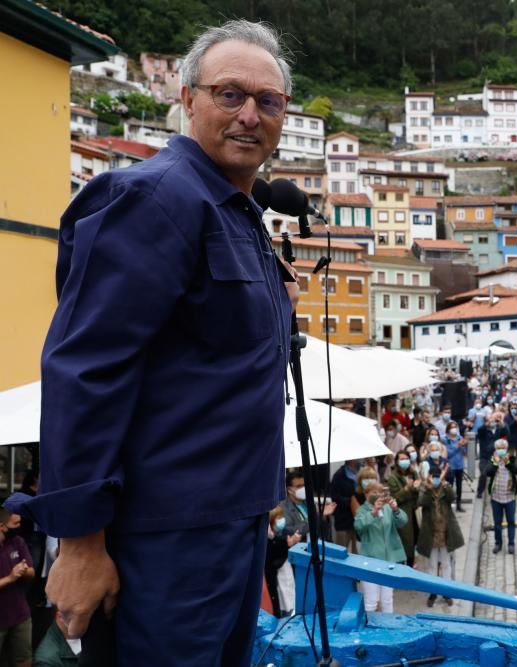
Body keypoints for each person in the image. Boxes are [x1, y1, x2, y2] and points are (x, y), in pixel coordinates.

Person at [0, 21, 300, 664]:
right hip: (165, 542)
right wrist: (81, 542)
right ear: (187, 99)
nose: (250, 115)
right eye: (229, 94)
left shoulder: (235, 212)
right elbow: (87, 370)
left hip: (230, 530)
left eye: (268, 102)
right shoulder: (156, 198)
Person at [353, 482, 408, 613]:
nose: (378, 495)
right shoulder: (362, 510)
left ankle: (389, 627)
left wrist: (396, 509)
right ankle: (369, 629)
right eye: (374, 492)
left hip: (388, 561)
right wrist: (373, 513)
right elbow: (358, 526)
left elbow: (403, 522)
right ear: (366, 494)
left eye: (380, 492)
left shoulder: (387, 508)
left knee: (387, 600)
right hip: (369, 561)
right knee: (371, 602)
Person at [417, 468, 465, 607]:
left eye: (438, 476)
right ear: (430, 477)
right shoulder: (425, 489)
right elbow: (421, 502)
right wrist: (428, 487)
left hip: (445, 533)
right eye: (433, 476)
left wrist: (445, 485)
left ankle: (447, 591)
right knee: (432, 565)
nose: (436, 479)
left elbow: (452, 497)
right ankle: (433, 592)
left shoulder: (446, 488)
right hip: (431, 534)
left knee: (446, 564)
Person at [0, 509, 34, 667]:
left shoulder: (18, 541)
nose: (19, 527)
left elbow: (32, 572)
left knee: (24, 659)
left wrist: (24, 571)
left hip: (20, 615)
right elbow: (11, 577)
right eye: (16, 524)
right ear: (2, 526)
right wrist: (10, 578)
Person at [386, 451, 422, 567]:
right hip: (402, 513)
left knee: (415, 539)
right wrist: (407, 488)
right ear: (397, 461)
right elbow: (396, 497)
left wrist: (417, 488)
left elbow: (419, 492)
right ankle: (402, 567)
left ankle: (411, 565)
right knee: (405, 542)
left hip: (415, 512)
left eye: (406, 458)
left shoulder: (413, 473)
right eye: (401, 459)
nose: (404, 461)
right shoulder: (393, 478)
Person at [486, 438, 517, 555]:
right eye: (499, 448)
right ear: (495, 449)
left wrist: (508, 462)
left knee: (511, 521)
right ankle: (498, 543)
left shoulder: (511, 459)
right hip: (496, 497)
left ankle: (511, 543)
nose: (501, 450)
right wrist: (495, 463)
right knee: (497, 522)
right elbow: (488, 472)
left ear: (506, 449)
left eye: (503, 448)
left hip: (509, 497)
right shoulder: (492, 460)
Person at [264, 506, 298, 617]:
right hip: (275, 581)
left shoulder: (283, 534)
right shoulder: (268, 541)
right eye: (278, 517)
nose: (281, 519)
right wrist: (286, 545)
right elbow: (274, 560)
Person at [476, 413, 509, 498]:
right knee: (483, 473)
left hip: (495, 456)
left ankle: (497, 490)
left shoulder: (498, 429)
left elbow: (507, 433)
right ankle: (480, 491)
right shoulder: (484, 430)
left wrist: (502, 423)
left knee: (497, 473)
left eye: (494, 419)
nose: (493, 421)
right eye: (491, 419)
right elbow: (479, 431)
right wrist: (487, 423)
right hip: (484, 457)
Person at [442, 420, 468, 512]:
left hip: (459, 465)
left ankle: (459, 504)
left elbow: (464, 453)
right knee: (450, 485)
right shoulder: (445, 439)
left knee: (459, 486)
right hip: (450, 466)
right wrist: (457, 446)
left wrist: (464, 445)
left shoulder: (459, 437)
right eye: (452, 427)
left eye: (455, 427)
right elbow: (447, 453)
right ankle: (448, 504)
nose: (454, 429)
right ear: (448, 429)